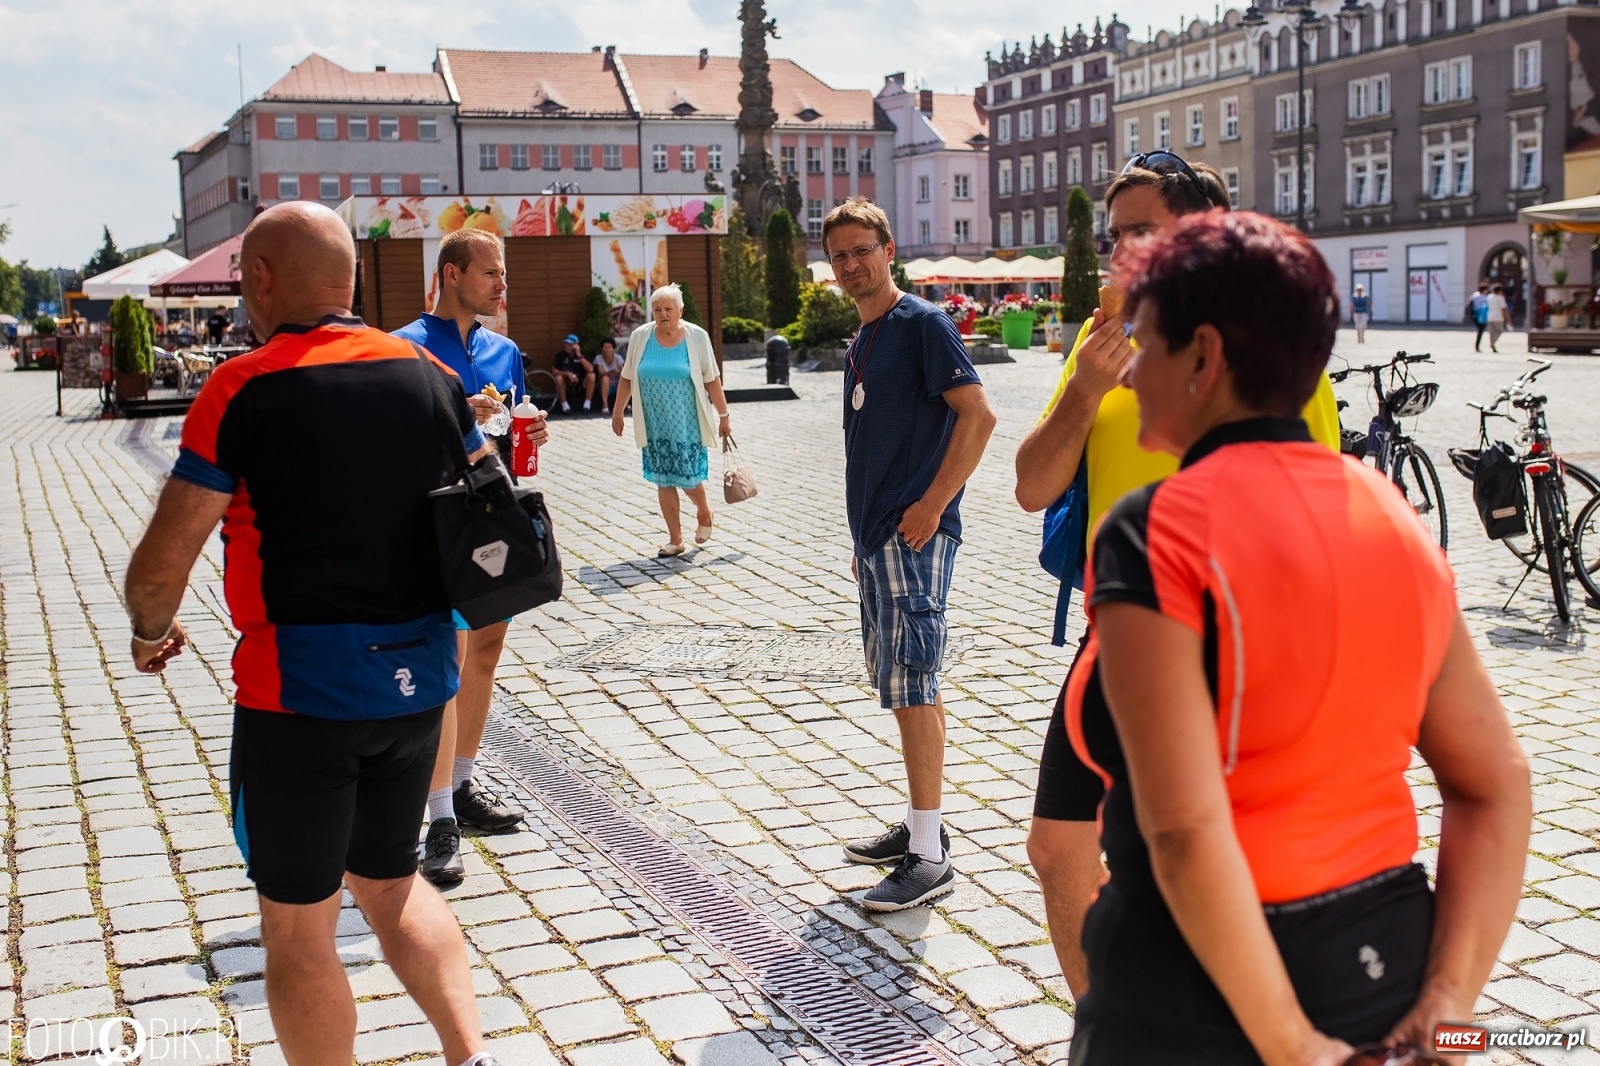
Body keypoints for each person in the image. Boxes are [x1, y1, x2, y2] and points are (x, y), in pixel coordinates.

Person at [1063, 209, 1530, 1064]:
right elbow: (1495, 783)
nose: (1131, 365)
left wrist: (1290, 1044)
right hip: (1380, 960)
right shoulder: (1390, 511)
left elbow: (1183, 829)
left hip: (1197, 989)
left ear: (1203, 357)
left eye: (1145, 339)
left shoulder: (1155, 527)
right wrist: (1451, 1002)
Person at [121, 202, 502, 1066]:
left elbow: (159, 568)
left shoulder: (243, 387)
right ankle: (469, 1056)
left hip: (300, 702)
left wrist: (152, 631)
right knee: (393, 886)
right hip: (418, 690)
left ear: (260, 278)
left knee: (297, 929)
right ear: (351, 280)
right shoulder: (428, 373)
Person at [1013, 151, 1342, 1000]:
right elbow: (1032, 486)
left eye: (1143, 231)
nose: (1122, 250)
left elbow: (1320, 514)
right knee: (1058, 849)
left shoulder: (1269, 344)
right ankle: (1103, 1035)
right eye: (1114, 233)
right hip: (1113, 637)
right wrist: (1085, 389)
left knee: (1220, 863)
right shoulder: (1100, 340)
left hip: (1232, 643)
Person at [826, 197, 997, 912]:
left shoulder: (923, 324)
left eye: (861, 249)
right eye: (838, 256)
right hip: (881, 541)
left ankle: (929, 857)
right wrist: (865, 542)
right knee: (903, 683)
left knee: (915, 682)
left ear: (889, 249)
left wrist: (932, 504)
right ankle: (923, 827)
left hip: (915, 533)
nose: (851, 264)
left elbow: (979, 415)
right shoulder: (862, 340)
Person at [393, 227, 545, 884]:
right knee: (446, 666)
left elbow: (509, 431)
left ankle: (461, 787)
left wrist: (530, 426)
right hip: (435, 523)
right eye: (491, 274)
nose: (501, 285)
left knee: (484, 653)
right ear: (451, 275)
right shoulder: (404, 348)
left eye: (503, 274)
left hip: (496, 516)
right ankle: (438, 820)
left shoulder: (503, 350)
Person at [611, 285, 731, 556]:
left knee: (688, 478)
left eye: (668, 309)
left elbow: (712, 379)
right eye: (657, 310)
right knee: (663, 480)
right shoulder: (641, 336)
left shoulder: (696, 337)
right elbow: (628, 377)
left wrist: (724, 416)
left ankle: (704, 511)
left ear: (680, 310)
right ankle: (676, 539)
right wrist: (618, 412)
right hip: (654, 422)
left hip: (686, 422)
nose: (663, 314)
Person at [553, 334, 596, 413]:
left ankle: (587, 404)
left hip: (581, 384)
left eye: (570, 344)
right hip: (566, 385)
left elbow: (590, 369)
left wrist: (579, 356)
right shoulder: (560, 355)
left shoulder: (583, 355)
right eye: (566, 344)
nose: (567, 346)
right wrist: (567, 374)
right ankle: (564, 405)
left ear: (576, 345)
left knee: (592, 376)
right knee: (558, 378)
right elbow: (555, 371)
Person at [593, 338, 624, 415]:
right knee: (605, 378)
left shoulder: (618, 358)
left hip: (616, 384)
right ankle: (605, 405)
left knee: (623, 379)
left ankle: (624, 405)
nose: (606, 349)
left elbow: (623, 373)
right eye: (604, 347)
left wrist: (618, 372)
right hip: (604, 385)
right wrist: (611, 372)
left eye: (609, 347)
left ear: (613, 349)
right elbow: (601, 373)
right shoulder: (598, 358)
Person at [1487, 283, 1510, 352]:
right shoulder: (1500, 298)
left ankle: (1492, 342)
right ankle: (1493, 341)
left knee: (1491, 332)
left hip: (1490, 316)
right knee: (1500, 330)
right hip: (1498, 317)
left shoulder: (1489, 297)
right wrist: (1507, 319)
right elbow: (1503, 309)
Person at [1469, 281, 1491, 351]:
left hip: (1474, 314)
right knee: (1481, 330)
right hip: (1482, 315)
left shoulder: (1474, 295)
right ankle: (1477, 345)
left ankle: (1477, 345)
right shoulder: (1486, 297)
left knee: (1480, 330)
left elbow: (1469, 304)